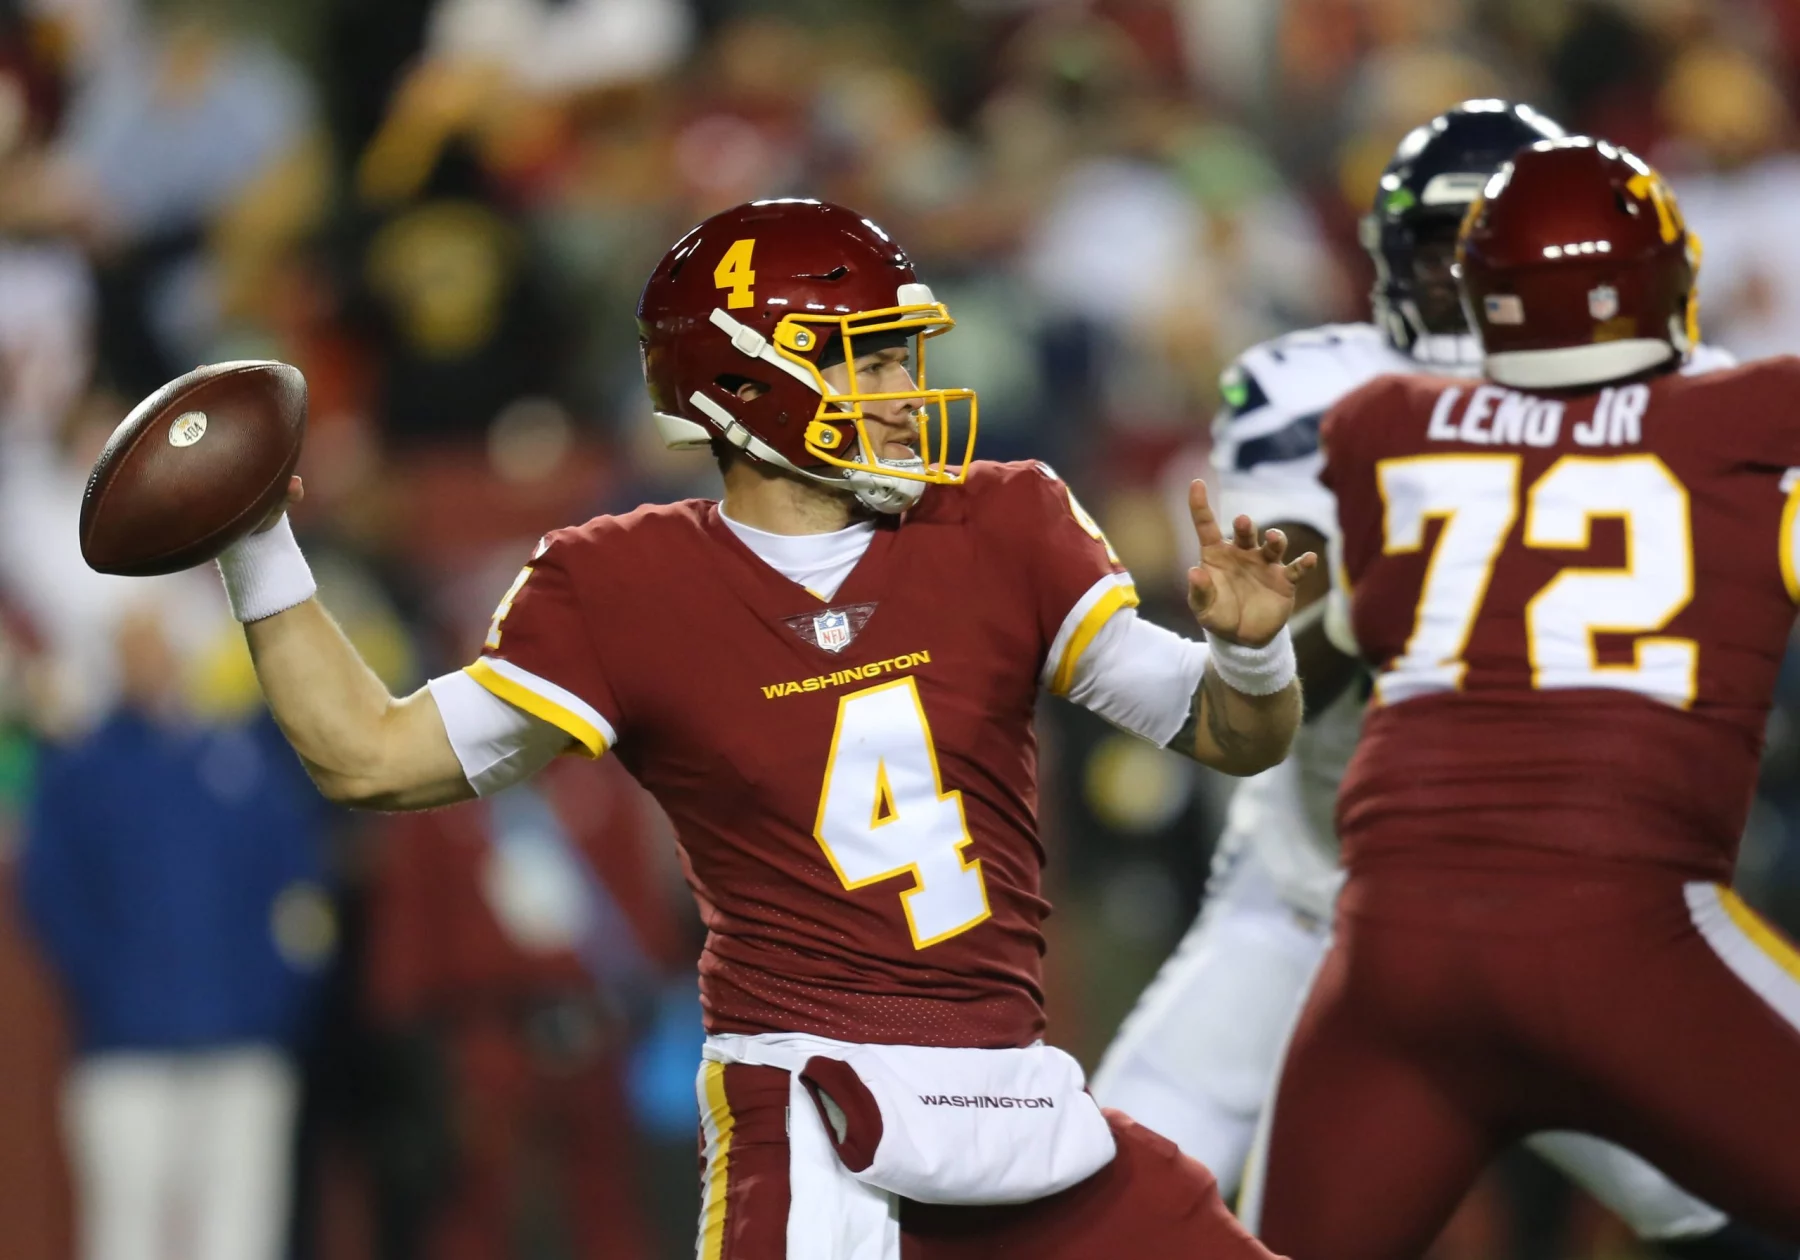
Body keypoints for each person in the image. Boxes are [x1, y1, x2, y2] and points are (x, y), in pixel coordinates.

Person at [196, 198, 1313, 1257]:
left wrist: (1253, 655)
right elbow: (370, 757)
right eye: (871, 360)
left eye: (903, 358)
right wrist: (255, 544)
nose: (906, 391)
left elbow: (1229, 734)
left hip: (1020, 1095)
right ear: (749, 380)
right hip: (815, 1110)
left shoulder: (1002, 519)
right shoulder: (624, 584)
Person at [1093, 101, 1790, 1257]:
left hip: (1420, 927)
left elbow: (1357, 610)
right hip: (1324, 892)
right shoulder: (1711, 407)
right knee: (1103, 1200)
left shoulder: (1376, 416)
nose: (1463, 283)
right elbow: (1309, 613)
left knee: (1709, 1220)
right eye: (1444, 251)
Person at [18, 604, 334, 1260]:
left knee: (240, 1229)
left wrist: (274, 996)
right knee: (127, 1231)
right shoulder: (82, 774)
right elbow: (54, 901)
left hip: (244, 1040)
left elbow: (299, 894)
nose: (149, 662)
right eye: (132, 648)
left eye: (159, 645)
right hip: (125, 1047)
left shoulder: (244, 766)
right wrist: (109, 991)